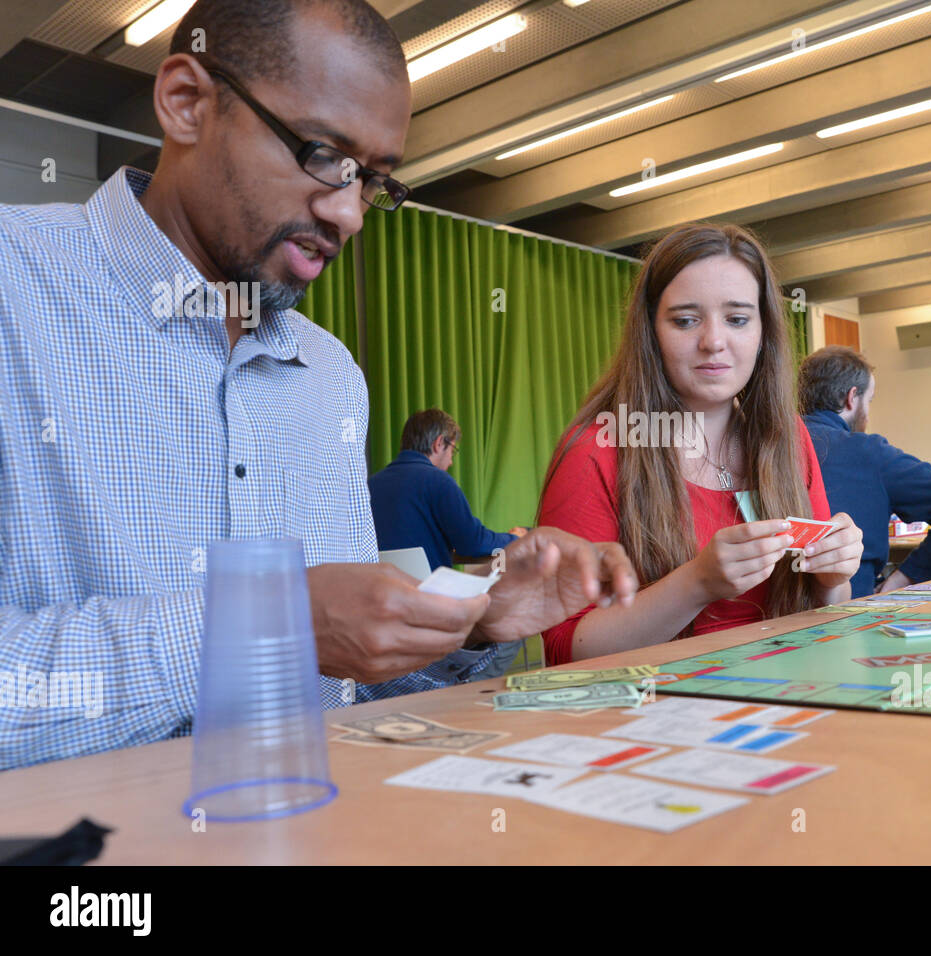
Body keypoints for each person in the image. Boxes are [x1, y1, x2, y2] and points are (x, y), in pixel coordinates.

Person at [0, 0, 635, 770]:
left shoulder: (330, 376)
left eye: (373, 181)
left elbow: (346, 697)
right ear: (187, 102)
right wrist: (267, 626)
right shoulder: (16, 291)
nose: (349, 214)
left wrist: (461, 620)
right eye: (321, 154)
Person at [536, 223, 864, 664]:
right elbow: (565, 649)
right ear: (650, 332)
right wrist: (697, 583)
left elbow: (830, 614)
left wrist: (834, 578)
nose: (713, 341)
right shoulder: (596, 451)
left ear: (763, 333)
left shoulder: (789, 437)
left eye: (737, 319)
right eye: (686, 320)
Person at [799, 346, 931, 596]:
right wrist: (905, 578)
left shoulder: (763, 445)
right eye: (868, 401)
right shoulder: (868, 452)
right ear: (851, 397)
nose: (868, 415)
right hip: (851, 614)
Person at [370, 408, 527, 677]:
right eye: (453, 450)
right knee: (516, 620)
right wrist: (517, 538)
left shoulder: (370, 486)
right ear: (438, 443)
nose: (452, 461)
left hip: (386, 613)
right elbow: (473, 543)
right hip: (433, 613)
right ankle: (465, 686)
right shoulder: (438, 482)